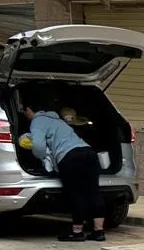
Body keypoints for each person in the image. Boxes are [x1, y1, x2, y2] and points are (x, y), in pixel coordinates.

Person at [22, 103, 105, 242]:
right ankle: (99, 231)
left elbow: (39, 146)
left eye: (25, 111)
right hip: (89, 153)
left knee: (76, 193)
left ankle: (77, 232)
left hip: (70, 157)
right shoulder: (57, 120)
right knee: (93, 191)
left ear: (30, 110)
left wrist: (39, 157)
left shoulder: (37, 121)